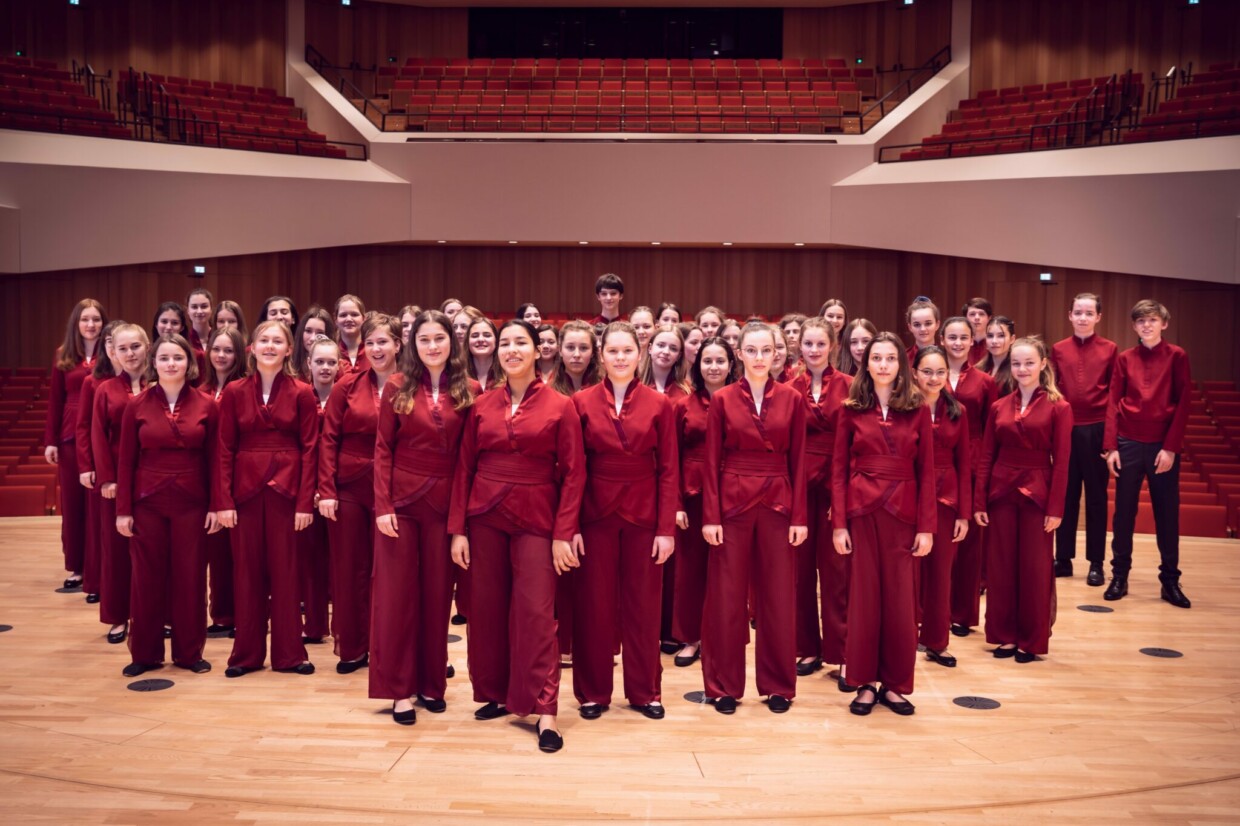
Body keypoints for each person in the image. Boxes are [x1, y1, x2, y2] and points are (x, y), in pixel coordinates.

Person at [449, 319, 586, 753]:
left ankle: (545, 710)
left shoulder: (562, 405)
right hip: (485, 515)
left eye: (519, 343)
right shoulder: (481, 404)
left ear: (537, 351)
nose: (511, 350)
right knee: (487, 611)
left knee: (536, 614)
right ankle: (496, 693)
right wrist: (458, 530)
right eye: (504, 343)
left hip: (537, 519)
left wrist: (564, 532)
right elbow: (465, 469)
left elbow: (575, 474)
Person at [570, 321, 679, 721]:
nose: (620, 358)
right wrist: (572, 526)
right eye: (612, 351)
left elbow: (669, 470)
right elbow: (573, 469)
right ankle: (593, 693)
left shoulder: (659, 403)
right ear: (601, 356)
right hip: (595, 514)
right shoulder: (580, 402)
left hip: (644, 516)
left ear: (640, 354)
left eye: (627, 351)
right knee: (594, 606)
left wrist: (666, 529)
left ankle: (645, 690)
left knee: (643, 607)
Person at [373, 310, 477, 725]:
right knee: (398, 599)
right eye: (424, 340)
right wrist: (382, 506)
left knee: (437, 598)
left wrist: (460, 524)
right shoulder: (397, 386)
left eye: (440, 338)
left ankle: (432, 684)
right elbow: (382, 450)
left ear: (452, 342)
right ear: (412, 346)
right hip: (399, 506)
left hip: (444, 504)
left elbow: (469, 462)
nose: (433, 346)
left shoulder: (468, 390)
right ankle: (399, 691)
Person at [701, 322, 807, 715]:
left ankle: (779, 684)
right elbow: (710, 462)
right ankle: (723, 686)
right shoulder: (723, 400)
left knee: (779, 596)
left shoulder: (793, 398)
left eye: (767, 350)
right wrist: (710, 516)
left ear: (776, 354)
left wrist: (800, 516)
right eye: (752, 350)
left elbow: (798, 459)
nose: (760, 357)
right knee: (726, 598)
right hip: (731, 505)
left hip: (779, 502)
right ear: (740, 354)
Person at [832, 332, 934, 716]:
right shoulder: (851, 408)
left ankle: (894, 684)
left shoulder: (919, 408)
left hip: (904, 514)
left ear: (901, 365)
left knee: (900, 601)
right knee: (863, 599)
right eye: (877, 358)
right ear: (866, 363)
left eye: (891, 358)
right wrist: (839, 523)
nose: (884, 365)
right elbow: (838, 469)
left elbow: (926, 472)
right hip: (861, 514)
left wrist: (926, 527)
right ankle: (863, 682)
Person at [216, 319, 319, 678]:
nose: (271, 346)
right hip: (243, 494)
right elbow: (224, 448)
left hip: (288, 494)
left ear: (290, 349)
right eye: (264, 340)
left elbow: (311, 450)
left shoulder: (303, 392)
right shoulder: (233, 392)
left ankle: (290, 654)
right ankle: (245, 654)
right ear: (252, 348)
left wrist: (306, 502)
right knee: (245, 573)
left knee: (287, 573)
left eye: (278, 341)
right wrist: (224, 501)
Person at [115, 333, 219, 677]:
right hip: (148, 503)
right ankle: (144, 653)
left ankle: (190, 653)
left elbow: (216, 460)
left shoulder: (207, 405)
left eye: (178, 357)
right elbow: (126, 461)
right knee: (146, 578)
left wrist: (217, 505)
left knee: (190, 577)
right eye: (164, 358)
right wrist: (123, 510)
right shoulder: (137, 405)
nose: (171, 363)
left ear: (189, 363)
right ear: (153, 363)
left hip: (192, 501)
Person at [974, 337, 1072, 662]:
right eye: (1016, 363)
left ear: (1043, 364)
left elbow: (1063, 462)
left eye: (1029, 363)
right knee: (1000, 567)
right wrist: (979, 502)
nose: (1022, 369)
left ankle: (1031, 639)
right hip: (1001, 493)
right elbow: (987, 456)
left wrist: (1056, 508)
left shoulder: (1060, 407)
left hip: (1038, 494)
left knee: (1035, 568)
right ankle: (1004, 635)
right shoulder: (999, 406)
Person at [318, 314, 402, 675]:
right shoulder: (346, 387)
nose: (377, 349)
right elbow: (328, 439)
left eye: (384, 341)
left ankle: (393, 649)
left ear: (398, 344)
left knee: (392, 573)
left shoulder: (409, 385)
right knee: (350, 568)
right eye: (371, 343)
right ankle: (353, 647)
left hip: (396, 489)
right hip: (349, 486)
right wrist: (326, 489)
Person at [1103, 300, 1192, 608]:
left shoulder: (1177, 356)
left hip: (1161, 447)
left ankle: (1170, 581)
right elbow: (1113, 400)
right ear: (1134, 326)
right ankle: (1119, 576)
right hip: (1127, 443)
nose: (1147, 325)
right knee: (1123, 513)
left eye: (1152, 320)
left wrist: (1170, 448)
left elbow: (1183, 404)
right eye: (1141, 321)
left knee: (1167, 515)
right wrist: (1111, 447)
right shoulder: (1125, 358)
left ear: (1163, 323)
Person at [788, 318, 853, 682]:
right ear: (800, 348)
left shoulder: (849, 385)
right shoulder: (788, 386)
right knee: (799, 572)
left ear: (832, 345)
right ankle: (807, 648)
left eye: (820, 344)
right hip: (797, 482)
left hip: (835, 482)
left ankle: (842, 651)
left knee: (837, 572)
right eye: (808, 344)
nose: (813, 350)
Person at [672, 337, 735, 669]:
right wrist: (676, 503)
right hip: (693, 495)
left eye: (720, 360)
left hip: (731, 494)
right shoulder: (683, 405)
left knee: (727, 571)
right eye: (707, 361)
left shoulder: (740, 402)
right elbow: (673, 457)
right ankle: (691, 638)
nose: (714, 367)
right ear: (698, 366)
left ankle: (722, 636)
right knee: (691, 569)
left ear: (730, 364)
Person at [1050, 293, 1117, 586]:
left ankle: (1096, 563)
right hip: (1066, 428)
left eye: (1089, 313)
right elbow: (1052, 393)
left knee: (1097, 499)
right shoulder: (1058, 349)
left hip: (1097, 429)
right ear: (1069, 315)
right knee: (1066, 497)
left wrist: (1110, 442)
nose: (1083, 318)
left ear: (1098, 317)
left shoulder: (1110, 349)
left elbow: (1115, 398)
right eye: (1078, 312)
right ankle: (1063, 559)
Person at [938, 317, 998, 638]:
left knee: (970, 541)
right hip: (939, 460)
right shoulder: (929, 374)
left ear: (972, 341)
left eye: (963, 337)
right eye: (952, 337)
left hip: (973, 464)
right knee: (938, 540)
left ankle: (962, 613)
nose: (958, 342)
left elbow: (991, 430)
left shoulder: (986, 381)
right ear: (942, 339)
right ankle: (932, 611)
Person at [911, 346, 971, 668]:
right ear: (915, 373)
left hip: (946, 496)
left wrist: (964, 512)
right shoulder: (902, 407)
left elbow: (965, 463)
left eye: (940, 372)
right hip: (911, 494)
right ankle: (905, 636)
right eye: (927, 372)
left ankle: (936, 640)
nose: (933, 378)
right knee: (910, 572)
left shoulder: (958, 411)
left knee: (940, 572)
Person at [46, 298, 107, 589]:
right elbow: (54, 402)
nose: (91, 324)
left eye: (96, 319)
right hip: (70, 436)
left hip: (102, 434)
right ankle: (76, 566)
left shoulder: (109, 355)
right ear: (76, 323)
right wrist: (51, 441)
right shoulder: (63, 355)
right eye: (85, 319)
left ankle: (99, 567)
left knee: (96, 507)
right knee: (72, 506)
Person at [86, 321, 137, 643]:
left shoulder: (160, 383)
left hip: (151, 480)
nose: (130, 354)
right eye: (123, 348)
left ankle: (156, 616)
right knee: (116, 551)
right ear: (113, 352)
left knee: (151, 553)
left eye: (135, 347)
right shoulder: (105, 389)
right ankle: (118, 617)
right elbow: (97, 437)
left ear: (147, 348)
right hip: (116, 479)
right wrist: (106, 478)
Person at [200, 327, 249, 636]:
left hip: (237, 475)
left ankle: (245, 615)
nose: (221, 355)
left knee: (241, 555)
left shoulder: (244, 388)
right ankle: (220, 615)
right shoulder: (199, 388)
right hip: (204, 475)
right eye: (216, 349)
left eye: (229, 350)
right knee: (215, 552)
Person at [75, 320, 121, 607]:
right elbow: (84, 428)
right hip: (103, 466)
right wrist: (87, 466)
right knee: (102, 533)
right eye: (110, 342)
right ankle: (100, 584)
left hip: (134, 470)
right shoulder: (93, 382)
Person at [300, 337, 340, 645]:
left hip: (339, 487)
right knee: (310, 562)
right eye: (320, 362)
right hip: (304, 487)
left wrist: (328, 487)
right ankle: (314, 625)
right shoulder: (300, 396)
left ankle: (343, 626)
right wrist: (310, 488)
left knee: (341, 562)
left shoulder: (346, 396)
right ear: (308, 364)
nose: (325, 367)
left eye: (331, 362)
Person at [551, 320, 600, 396]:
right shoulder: (548, 391)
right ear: (560, 350)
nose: (577, 355)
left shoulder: (605, 390)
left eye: (583, 348)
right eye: (570, 347)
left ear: (593, 353)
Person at [291, 308, 337, 383]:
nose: (313, 338)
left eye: (320, 333)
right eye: (308, 331)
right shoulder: (289, 364)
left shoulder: (340, 366)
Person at [978, 315, 1016, 396]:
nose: (994, 341)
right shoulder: (978, 368)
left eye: (1001, 336)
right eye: (990, 336)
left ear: (1012, 339)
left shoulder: (1016, 370)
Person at [466, 315, 503, 392]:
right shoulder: (457, 376)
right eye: (475, 336)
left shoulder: (508, 375)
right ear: (467, 341)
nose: (480, 339)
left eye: (487, 335)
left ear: (496, 340)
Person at [334, 294, 368, 376]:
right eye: (343, 315)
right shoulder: (330, 353)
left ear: (364, 319)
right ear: (336, 320)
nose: (349, 319)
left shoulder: (373, 350)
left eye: (354, 314)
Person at [962, 297, 993, 367]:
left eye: (981, 314)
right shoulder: (959, 344)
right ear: (965, 318)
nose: (977, 318)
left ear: (989, 318)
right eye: (972, 314)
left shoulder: (995, 344)